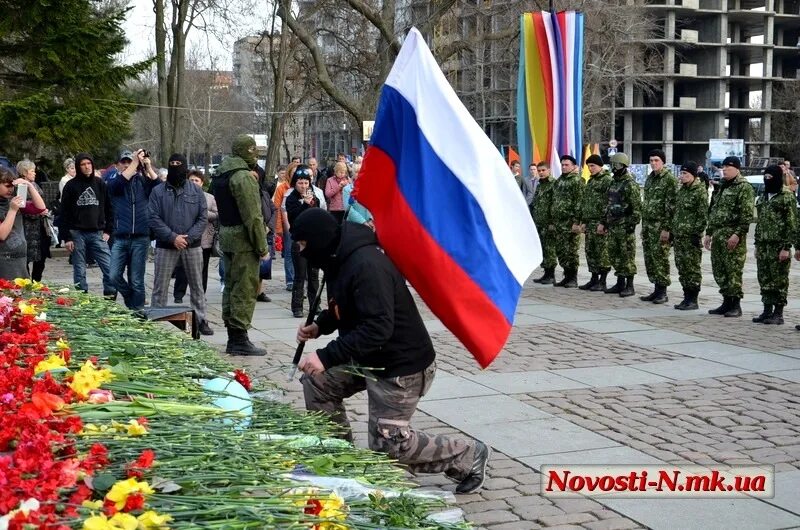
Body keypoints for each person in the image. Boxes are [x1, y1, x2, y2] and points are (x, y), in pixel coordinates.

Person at [292, 209, 491, 495]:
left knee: (390, 447)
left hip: (401, 366)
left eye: (302, 246)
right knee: (317, 381)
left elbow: (377, 328)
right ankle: (337, 457)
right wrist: (321, 325)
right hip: (370, 356)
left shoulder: (366, 264)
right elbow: (346, 304)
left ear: (318, 240)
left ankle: (468, 455)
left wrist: (326, 356)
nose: (300, 253)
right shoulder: (339, 258)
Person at [212, 135, 269, 355]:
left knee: (231, 287)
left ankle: (233, 335)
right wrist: (262, 247)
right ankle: (239, 339)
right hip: (243, 241)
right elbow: (253, 216)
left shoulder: (221, 174)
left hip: (226, 236)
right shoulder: (242, 177)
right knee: (244, 288)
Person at [149, 154, 213, 336]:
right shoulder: (158, 191)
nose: (175, 166)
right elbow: (153, 217)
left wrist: (188, 238)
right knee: (160, 286)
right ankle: (156, 320)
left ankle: (200, 320)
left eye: (179, 164)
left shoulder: (196, 191)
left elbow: (202, 217)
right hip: (166, 245)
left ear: (184, 166)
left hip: (191, 245)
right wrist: (172, 237)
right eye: (172, 164)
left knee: (197, 285)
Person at [107, 149, 160, 311]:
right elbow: (119, 183)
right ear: (117, 165)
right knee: (114, 275)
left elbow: (159, 188)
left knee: (136, 279)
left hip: (141, 237)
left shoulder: (143, 181)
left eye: (129, 161)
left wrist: (148, 167)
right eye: (123, 162)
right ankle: (131, 299)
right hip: (121, 237)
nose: (126, 165)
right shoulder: (114, 182)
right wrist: (136, 163)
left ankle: (137, 312)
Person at [704, 156, 754, 317]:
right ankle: (726, 302)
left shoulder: (743, 187)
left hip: (732, 235)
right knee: (719, 270)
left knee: (733, 270)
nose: (724, 169)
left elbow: (746, 215)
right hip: (718, 234)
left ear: (737, 169)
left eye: (728, 167)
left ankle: (735, 305)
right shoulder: (722, 186)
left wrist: (737, 234)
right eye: (723, 167)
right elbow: (714, 211)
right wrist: (709, 233)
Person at [61, 153, 116, 296]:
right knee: (79, 269)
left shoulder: (100, 184)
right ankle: (82, 296)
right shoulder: (70, 186)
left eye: (89, 164)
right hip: (77, 232)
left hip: (97, 232)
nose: (86, 167)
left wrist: (108, 230)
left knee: (109, 266)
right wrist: (66, 237)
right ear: (79, 167)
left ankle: (110, 294)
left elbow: (109, 208)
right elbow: (64, 213)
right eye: (83, 164)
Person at [752, 165, 796, 325]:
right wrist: (757, 244)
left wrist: (786, 247)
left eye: (770, 177)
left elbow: (791, 224)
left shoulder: (786, 197)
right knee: (764, 278)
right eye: (765, 177)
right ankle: (766, 310)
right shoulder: (763, 196)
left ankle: (778, 313)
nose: (767, 179)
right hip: (764, 246)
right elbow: (760, 222)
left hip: (779, 246)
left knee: (779, 280)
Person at [599, 152, 641, 297]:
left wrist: (631, 225)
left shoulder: (630, 184)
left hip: (624, 226)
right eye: (613, 165)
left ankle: (630, 285)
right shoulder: (613, 182)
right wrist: (604, 222)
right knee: (615, 255)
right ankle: (620, 282)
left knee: (627, 256)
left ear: (624, 166)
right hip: (613, 225)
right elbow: (607, 203)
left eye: (617, 165)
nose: (614, 168)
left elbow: (636, 208)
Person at [640, 149, 677, 304]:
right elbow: (647, 203)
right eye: (651, 160)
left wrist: (667, 228)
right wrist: (643, 227)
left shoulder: (669, 180)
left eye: (656, 160)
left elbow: (672, 206)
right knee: (650, 258)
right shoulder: (650, 179)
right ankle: (656, 289)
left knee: (660, 258)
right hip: (649, 225)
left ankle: (662, 291)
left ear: (663, 162)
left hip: (661, 226)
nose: (653, 163)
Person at [173, 171, 217, 300]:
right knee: (182, 268)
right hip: (185, 238)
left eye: (196, 180)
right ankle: (178, 294)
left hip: (204, 239)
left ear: (202, 183)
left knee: (202, 269)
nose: (193, 183)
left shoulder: (209, 197)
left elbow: (216, 214)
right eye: (191, 180)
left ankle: (200, 294)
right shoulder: (181, 196)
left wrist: (203, 214)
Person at [286, 165, 322, 318]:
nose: (303, 186)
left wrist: (311, 202)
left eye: (306, 183)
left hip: (313, 240)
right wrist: (305, 204)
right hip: (299, 241)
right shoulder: (291, 199)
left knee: (313, 275)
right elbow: (295, 217)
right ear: (295, 183)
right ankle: (297, 306)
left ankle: (315, 304)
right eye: (300, 183)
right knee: (300, 275)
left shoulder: (314, 197)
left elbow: (317, 213)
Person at [672, 162, 708, 310]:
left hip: (690, 237)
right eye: (681, 173)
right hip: (679, 236)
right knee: (682, 267)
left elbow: (702, 215)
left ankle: (693, 299)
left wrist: (696, 233)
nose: (682, 176)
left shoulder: (699, 191)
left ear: (693, 175)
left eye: (685, 174)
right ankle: (686, 297)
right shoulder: (682, 191)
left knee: (692, 268)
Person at [0, 169, 46, 280]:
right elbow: (2, 234)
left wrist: (29, 185)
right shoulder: (12, 206)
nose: (10, 190)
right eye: (7, 186)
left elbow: (40, 208)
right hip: (3, 262)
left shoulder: (13, 201)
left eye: (12, 186)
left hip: (19, 261)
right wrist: (12, 210)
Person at [578, 155, 612, 291]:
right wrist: (584, 221)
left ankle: (602, 281)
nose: (590, 169)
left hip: (600, 222)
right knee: (590, 252)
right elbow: (586, 202)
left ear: (600, 166)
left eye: (593, 166)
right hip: (590, 222)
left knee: (601, 252)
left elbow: (608, 203)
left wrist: (604, 222)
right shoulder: (591, 182)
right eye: (588, 166)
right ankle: (594, 278)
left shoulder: (607, 180)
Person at [551, 155, 584, 287]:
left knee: (571, 251)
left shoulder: (577, 181)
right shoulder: (559, 181)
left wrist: (576, 222)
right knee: (561, 250)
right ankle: (566, 275)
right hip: (559, 222)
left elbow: (579, 202)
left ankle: (573, 278)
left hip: (570, 223)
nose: (564, 167)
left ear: (573, 166)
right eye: (562, 165)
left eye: (567, 165)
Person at [17, 159, 51, 281]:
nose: (35, 173)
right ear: (25, 172)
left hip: (39, 226)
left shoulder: (35, 184)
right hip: (27, 228)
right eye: (32, 171)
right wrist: (38, 211)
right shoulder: (21, 186)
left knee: (41, 257)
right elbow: (21, 206)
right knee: (26, 257)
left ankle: (37, 282)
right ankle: (26, 282)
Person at [531, 161, 557, 284]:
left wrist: (552, 222)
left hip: (549, 223)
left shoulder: (553, 184)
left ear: (549, 170)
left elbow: (555, 204)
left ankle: (551, 275)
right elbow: (536, 202)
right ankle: (546, 273)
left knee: (549, 249)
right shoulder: (540, 185)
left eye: (543, 170)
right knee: (543, 249)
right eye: (539, 170)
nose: (541, 173)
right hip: (539, 222)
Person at [273, 163, 296, 292]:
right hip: (287, 224)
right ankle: (290, 280)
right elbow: (277, 208)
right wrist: (278, 228)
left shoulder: (305, 187)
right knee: (289, 252)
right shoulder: (282, 188)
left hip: (300, 224)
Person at [342, 162, 373, 228]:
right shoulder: (347, 189)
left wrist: (371, 220)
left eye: (361, 171)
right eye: (356, 172)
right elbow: (348, 209)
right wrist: (363, 222)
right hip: (354, 226)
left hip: (370, 225)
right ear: (352, 174)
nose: (359, 174)